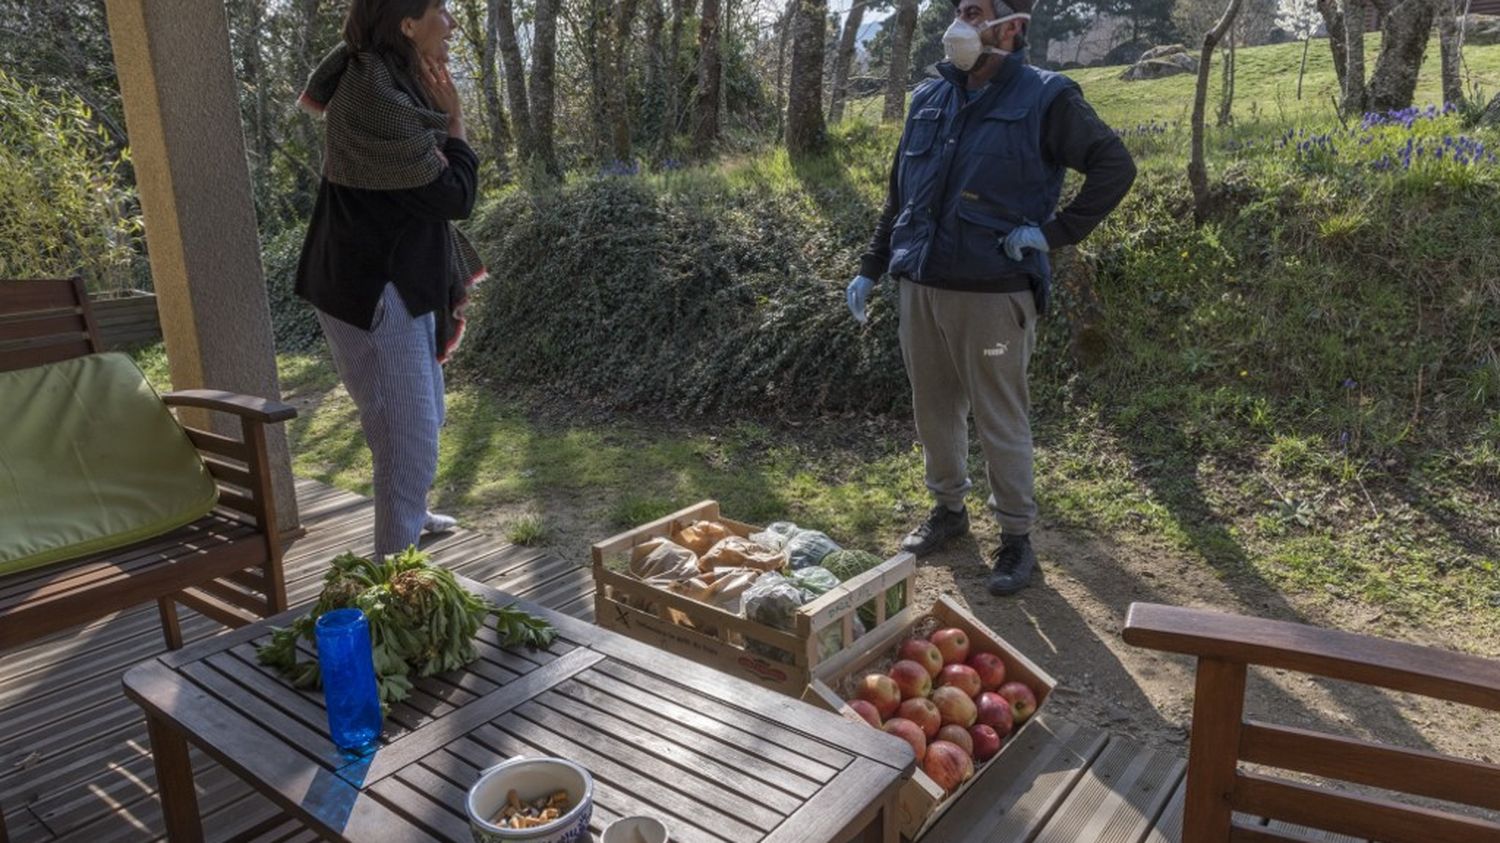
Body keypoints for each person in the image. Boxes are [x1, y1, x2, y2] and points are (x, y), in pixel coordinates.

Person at [847, 0, 1135, 595]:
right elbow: (900, 195)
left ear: (1012, 26)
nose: (960, 24)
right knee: (934, 411)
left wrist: (1053, 234)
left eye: (975, 11)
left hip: (993, 295)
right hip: (920, 285)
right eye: (958, 10)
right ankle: (949, 511)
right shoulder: (930, 98)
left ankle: (1016, 540)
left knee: (1000, 418)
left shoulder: (1047, 97)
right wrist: (873, 267)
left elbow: (1115, 166)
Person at [295, 0, 485, 557]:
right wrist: (454, 122)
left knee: (418, 416)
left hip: (397, 279)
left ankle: (412, 515)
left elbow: (430, 185)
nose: (451, 24)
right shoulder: (375, 99)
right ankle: (393, 575)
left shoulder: (391, 82)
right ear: (406, 24)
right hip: (373, 288)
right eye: (441, 11)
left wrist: (444, 121)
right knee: (408, 435)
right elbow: (454, 196)